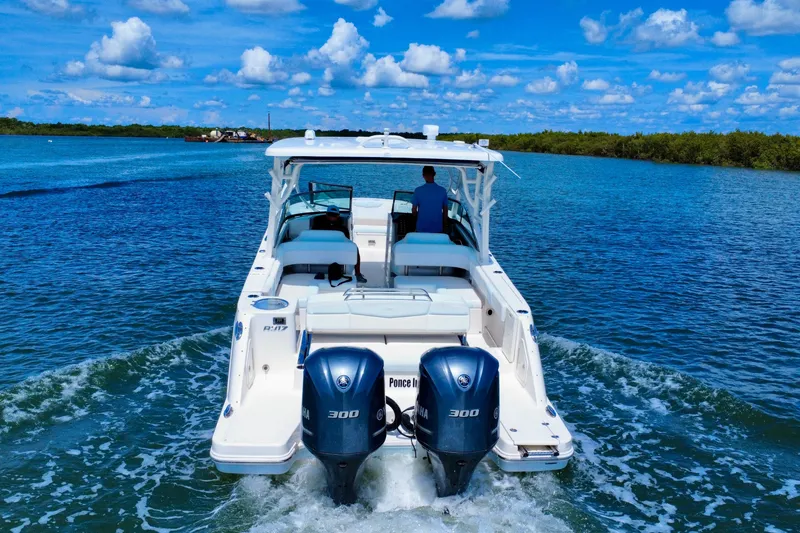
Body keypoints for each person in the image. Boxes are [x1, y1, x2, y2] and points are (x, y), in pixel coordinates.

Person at [311, 205, 367, 283]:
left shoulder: (343, 228)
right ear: (326, 214)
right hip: (320, 247)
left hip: (337, 248)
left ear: (338, 216)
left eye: (334, 215)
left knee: (355, 248)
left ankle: (358, 274)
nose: (332, 217)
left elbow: (347, 240)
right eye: (330, 214)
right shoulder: (318, 225)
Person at [411, 166, 448, 233]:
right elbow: (445, 211)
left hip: (421, 229)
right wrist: (445, 225)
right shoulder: (443, 191)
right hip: (437, 229)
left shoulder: (418, 191)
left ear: (423, 176)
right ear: (434, 174)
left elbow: (414, 211)